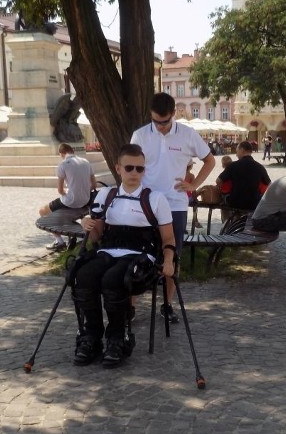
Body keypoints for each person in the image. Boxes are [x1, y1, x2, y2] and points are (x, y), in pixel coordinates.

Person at [72, 144, 175, 369]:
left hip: (140, 254)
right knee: (84, 275)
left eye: (140, 169)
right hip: (109, 250)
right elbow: (96, 236)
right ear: (118, 168)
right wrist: (88, 225)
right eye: (130, 168)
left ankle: (117, 338)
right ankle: (92, 336)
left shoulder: (155, 199)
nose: (135, 174)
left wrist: (168, 261)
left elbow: (168, 238)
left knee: (113, 279)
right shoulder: (105, 195)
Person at [131, 92, 215, 322]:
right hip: (146, 203)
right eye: (156, 121)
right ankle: (131, 307)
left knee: (173, 257)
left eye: (165, 121)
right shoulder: (139, 135)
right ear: (150, 115)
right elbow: (130, 165)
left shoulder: (187, 134)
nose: (160, 126)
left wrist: (193, 185)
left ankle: (167, 304)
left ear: (173, 114)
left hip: (175, 205)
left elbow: (210, 160)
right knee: (136, 253)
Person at [39, 143, 97, 251]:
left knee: (43, 211)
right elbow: (94, 185)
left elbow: (60, 190)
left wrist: (67, 194)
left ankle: (59, 242)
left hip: (70, 202)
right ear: (72, 151)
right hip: (86, 200)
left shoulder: (63, 164)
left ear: (62, 153)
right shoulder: (86, 162)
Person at [216, 140, 271, 211]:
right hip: (254, 203)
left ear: (242, 150)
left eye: (237, 151)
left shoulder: (233, 166)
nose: (236, 154)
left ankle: (228, 220)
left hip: (235, 202)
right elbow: (269, 184)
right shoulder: (259, 167)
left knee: (223, 199)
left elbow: (218, 181)